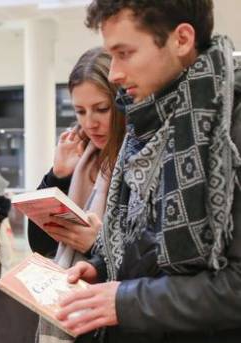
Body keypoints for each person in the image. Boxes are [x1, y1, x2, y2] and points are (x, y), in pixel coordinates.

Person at [55, 1, 241, 342]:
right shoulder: (142, 126)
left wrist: (126, 301)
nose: (114, 74)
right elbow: (148, 246)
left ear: (182, 39)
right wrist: (101, 267)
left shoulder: (230, 130)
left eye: (125, 53)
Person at [25, 47, 125, 343]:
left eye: (101, 109)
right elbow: (41, 243)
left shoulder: (137, 160)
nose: (89, 122)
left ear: (121, 101)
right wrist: (59, 174)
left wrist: (98, 242)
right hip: (73, 312)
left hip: (118, 318)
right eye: (80, 112)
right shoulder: (84, 159)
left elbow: (151, 253)